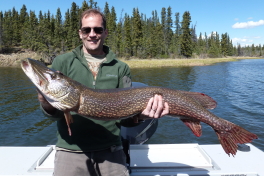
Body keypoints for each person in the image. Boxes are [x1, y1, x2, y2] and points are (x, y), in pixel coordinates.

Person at [38, 9, 169, 176]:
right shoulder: (62, 62)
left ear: (105, 32)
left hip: (111, 150)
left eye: (97, 29)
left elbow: (126, 120)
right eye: (87, 30)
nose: (92, 34)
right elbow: (55, 115)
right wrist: (45, 102)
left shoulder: (121, 68)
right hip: (70, 150)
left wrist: (141, 116)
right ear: (80, 33)